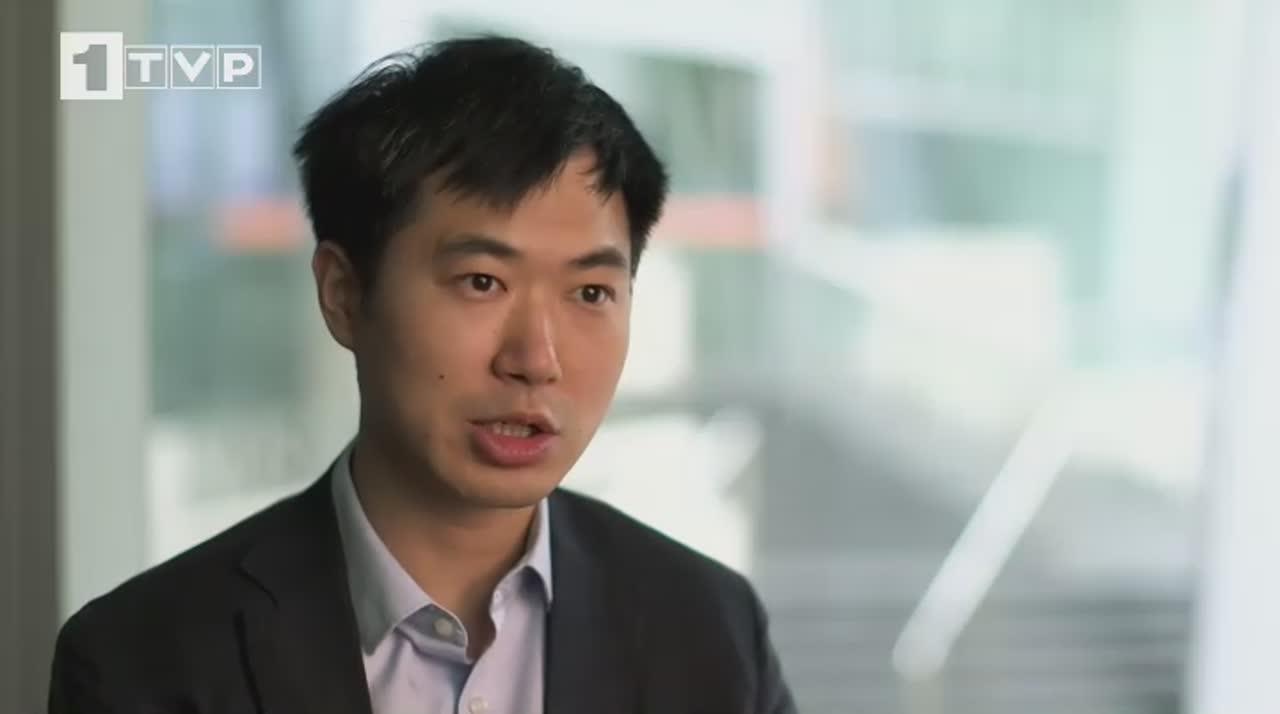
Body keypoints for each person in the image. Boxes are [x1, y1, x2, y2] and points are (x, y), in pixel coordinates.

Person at [48, 34, 796, 714]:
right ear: (344, 294)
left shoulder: (710, 631)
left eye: (591, 293)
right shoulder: (144, 663)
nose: (537, 359)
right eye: (481, 282)